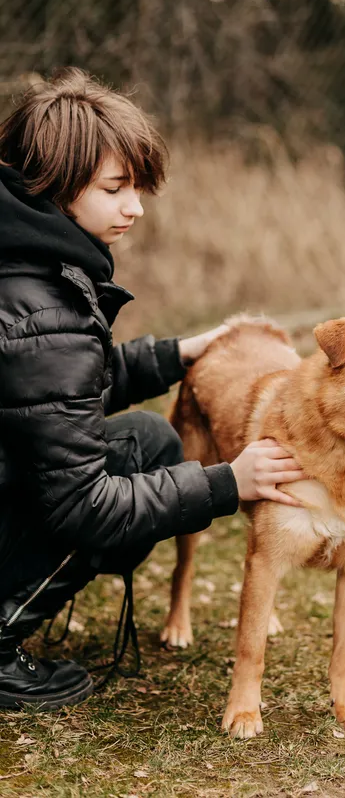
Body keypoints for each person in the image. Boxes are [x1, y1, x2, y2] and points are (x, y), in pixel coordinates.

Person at [0, 68, 305, 710]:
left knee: (143, 436)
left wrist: (176, 355)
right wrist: (228, 482)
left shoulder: (22, 262)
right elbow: (83, 504)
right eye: (116, 188)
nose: (135, 207)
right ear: (52, 184)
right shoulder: (37, 302)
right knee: (148, 449)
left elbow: (52, 396)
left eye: (139, 187)